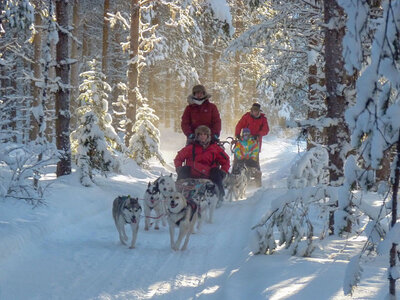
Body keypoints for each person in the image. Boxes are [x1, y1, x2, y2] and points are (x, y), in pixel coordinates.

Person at [174, 125, 230, 202]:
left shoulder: (215, 148)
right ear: (197, 136)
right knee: (184, 169)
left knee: (216, 172)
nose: (202, 136)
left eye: (204, 134)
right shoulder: (191, 148)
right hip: (192, 173)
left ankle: (219, 196)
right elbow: (178, 158)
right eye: (200, 134)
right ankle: (177, 196)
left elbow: (225, 160)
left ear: (208, 136)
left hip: (209, 174)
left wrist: (223, 171)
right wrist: (179, 168)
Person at [234, 103, 269, 170]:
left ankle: (256, 175)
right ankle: (236, 172)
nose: (255, 112)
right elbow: (239, 125)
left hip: (256, 141)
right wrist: (237, 134)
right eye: (253, 110)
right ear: (251, 110)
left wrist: (258, 134)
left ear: (259, 111)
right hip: (244, 140)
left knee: (254, 159)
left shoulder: (263, 119)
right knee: (238, 157)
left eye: (256, 111)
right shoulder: (246, 116)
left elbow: (266, 130)